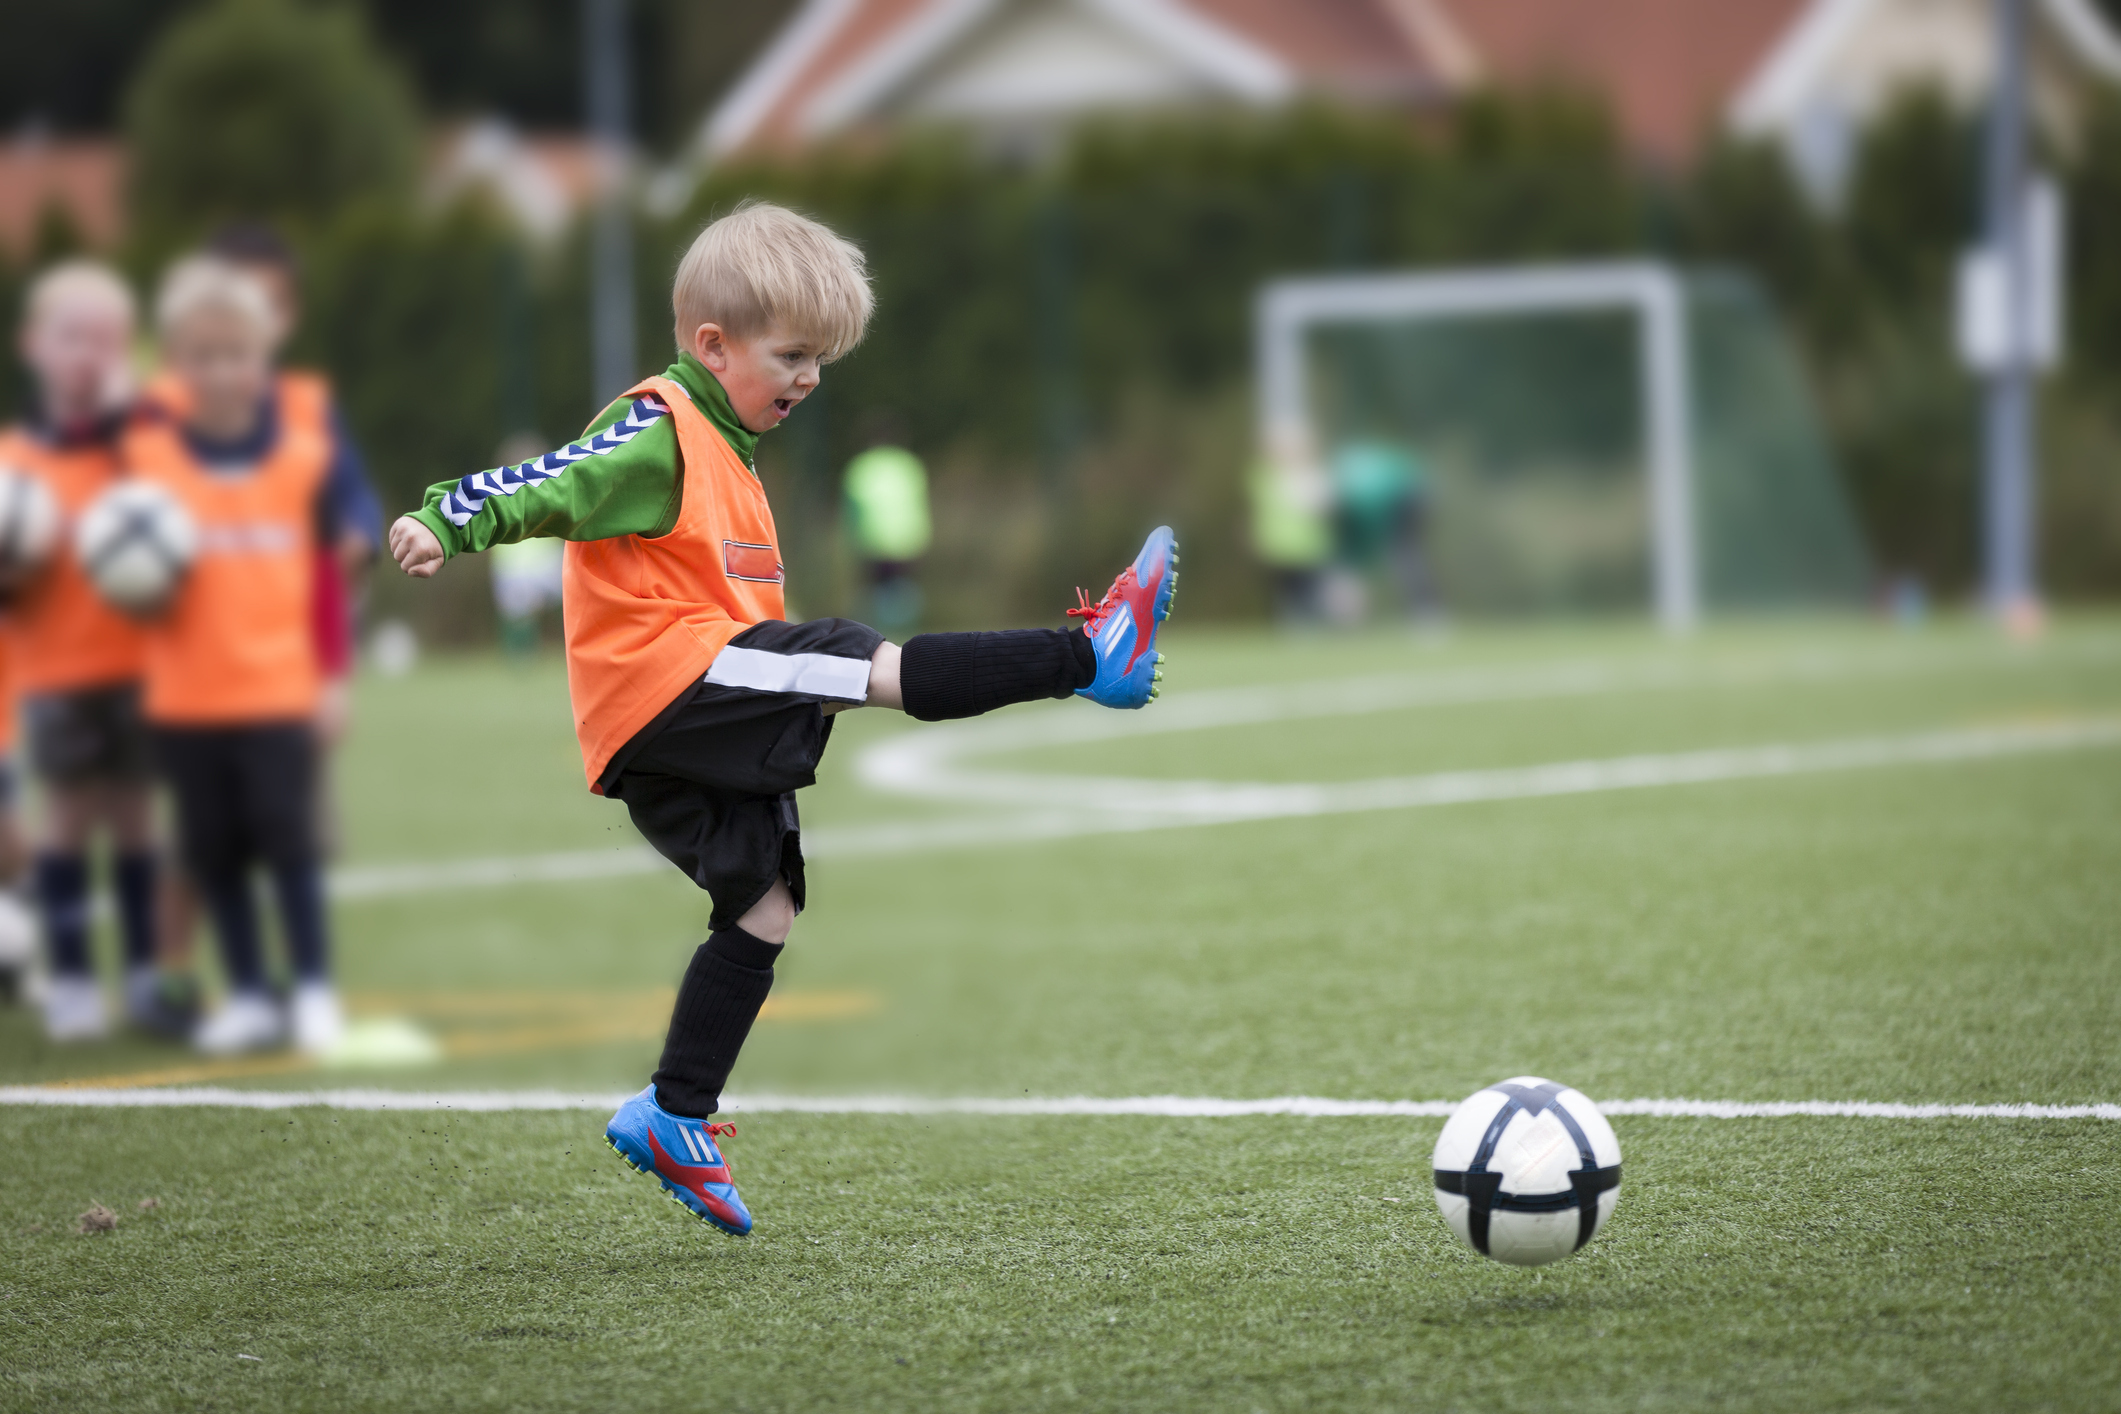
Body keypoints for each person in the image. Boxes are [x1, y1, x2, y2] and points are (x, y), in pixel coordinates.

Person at [388, 201, 1178, 1237]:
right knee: (856, 660)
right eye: (792, 356)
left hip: (671, 717)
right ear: (713, 346)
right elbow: (555, 481)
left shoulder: (729, 445)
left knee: (764, 906)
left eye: (821, 361)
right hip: (667, 681)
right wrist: (448, 517)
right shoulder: (662, 427)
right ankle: (1090, 656)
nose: (808, 379)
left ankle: (674, 1112)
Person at [128, 257, 343, 1056]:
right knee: (213, 849)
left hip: (277, 694)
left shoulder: (300, 458)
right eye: (202, 356)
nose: (220, 371)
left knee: (288, 844)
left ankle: (312, 987)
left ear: (263, 360)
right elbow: (121, 579)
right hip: (183, 700)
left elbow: (325, 575)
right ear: (175, 365)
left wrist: (331, 678)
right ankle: (249, 990)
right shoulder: (147, 461)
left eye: (236, 354)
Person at [0, 260, 177, 1042]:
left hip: (140, 666)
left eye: (106, 342)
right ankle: (71, 976)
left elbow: (183, 518)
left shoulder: (147, 444)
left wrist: (129, 425)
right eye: (71, 338)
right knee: (66, 822)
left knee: (137, 820)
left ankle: (142, 973)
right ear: (33, 345)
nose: (87, 357)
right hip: (55, 674)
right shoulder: (14, 461)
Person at [841, 419, 931, 635]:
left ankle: (877, 633)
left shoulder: (861, 466)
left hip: (872, 538)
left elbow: (853, 507)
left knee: (874, 590)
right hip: (908, 538)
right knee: (904, 588)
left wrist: (852, 537)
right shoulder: (910, 464)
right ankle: (906, 631)